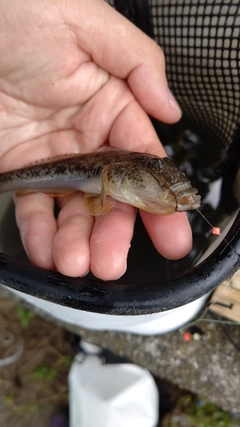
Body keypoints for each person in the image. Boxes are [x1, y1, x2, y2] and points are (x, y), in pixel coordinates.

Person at [0, 0, 193, 282]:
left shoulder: (122, 174)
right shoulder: (115, 174)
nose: (158, 173)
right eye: (153, 167)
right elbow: (97, 200)